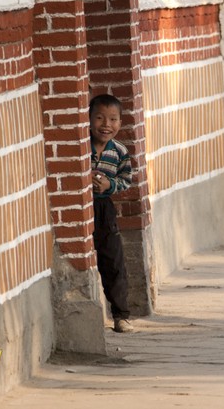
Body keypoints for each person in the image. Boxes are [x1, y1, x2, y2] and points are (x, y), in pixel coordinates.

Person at [89, 93, 133, 333]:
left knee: (113, 260)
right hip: (81, 209)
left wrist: (110, 186)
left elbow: (126, 179)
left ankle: (121, 315)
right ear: (88, 119)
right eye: (100, 118)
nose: (106, 125)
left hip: (104, 208)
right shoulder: (78, 145)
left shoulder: (119, 151)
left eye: (113, 119)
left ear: (120, 123)